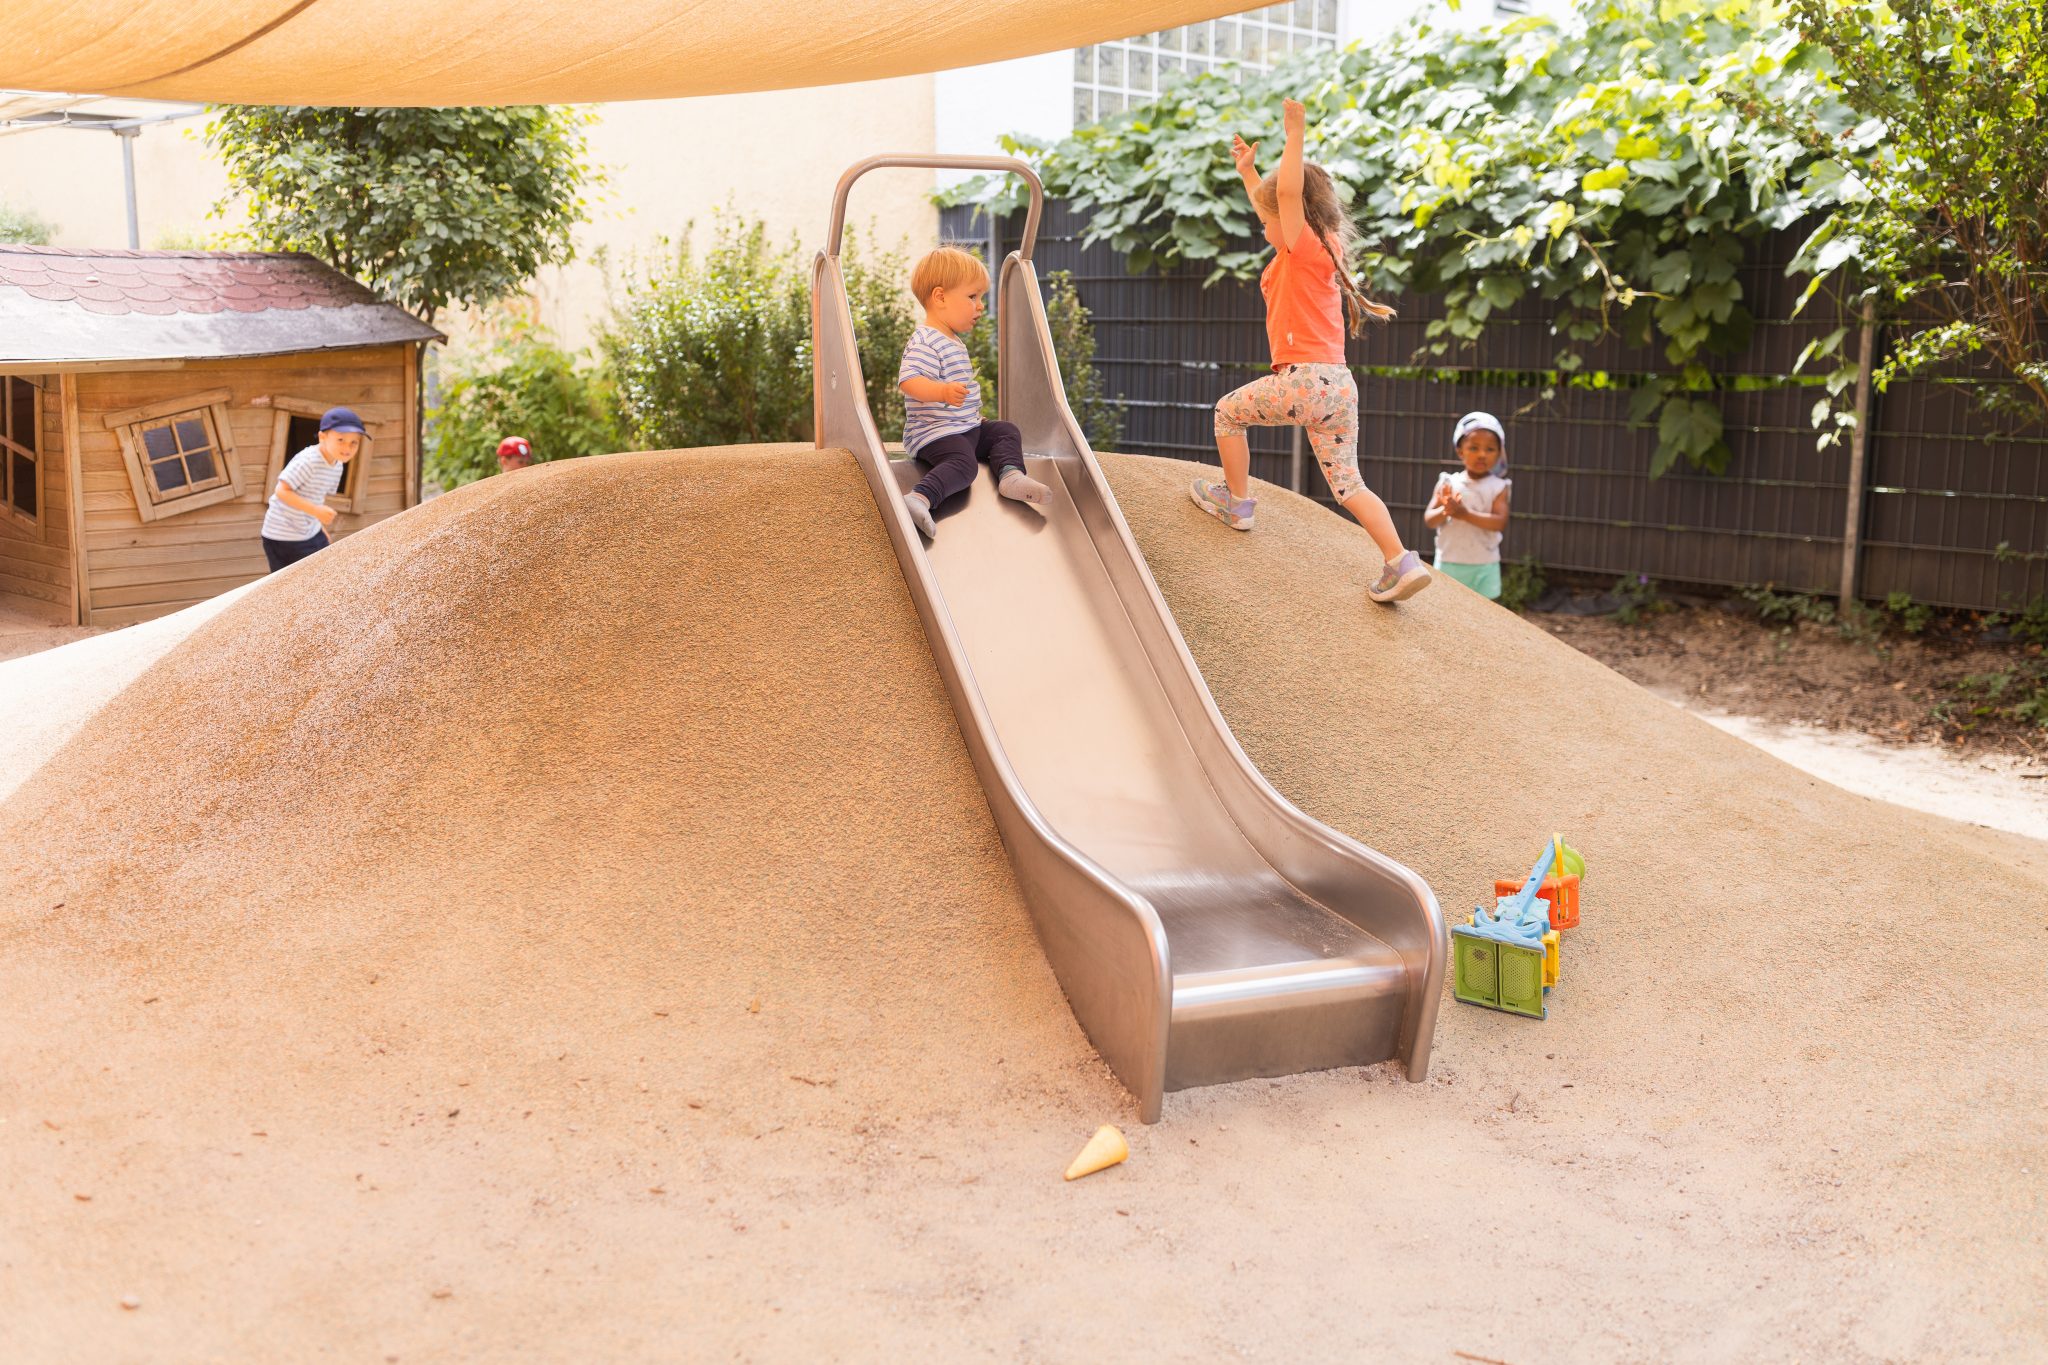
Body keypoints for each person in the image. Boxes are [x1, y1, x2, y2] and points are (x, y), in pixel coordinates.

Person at [1191, 96, 1431, 605]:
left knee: (1227, 414)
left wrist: (1294, 133)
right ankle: (1401, 562)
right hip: (1339, 388)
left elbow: (1286, 195)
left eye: (1268, 218)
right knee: (1349, 484)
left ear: (1294, 214)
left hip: (1305, 381)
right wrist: (1248, 172)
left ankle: (1237, 503)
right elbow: (1274, 202)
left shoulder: (1301, 248)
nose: (1263, 224)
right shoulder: (1320, 248)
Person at [897, 246, 1050, 538]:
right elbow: (910, 381)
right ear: (940, 297)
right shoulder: (925, 341)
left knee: (1005, 431)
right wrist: (942, 391)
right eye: (972, 297)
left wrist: (974, 418)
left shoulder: (952, 340)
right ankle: (919, 498)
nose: (980, 306)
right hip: (935, 433)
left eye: (981, 298)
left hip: (963, 428)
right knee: (964, 465)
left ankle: (1011, 476)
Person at [260, 406, 364, 573]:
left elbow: (315, 497)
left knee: (326, 569)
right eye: (341, 440)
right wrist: (316, 511)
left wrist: (320, 531)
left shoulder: (337, 465)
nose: (347, 447)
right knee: (299, 580)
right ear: (322, 437)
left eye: (354, 442)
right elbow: (281, 491)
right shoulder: (308, 461)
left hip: (309, 530)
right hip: (284, 535)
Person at [1423, 411, 1513, 600]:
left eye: (1490, 449)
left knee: (1484, 613)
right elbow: (1429, 520)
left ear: (1499, 453)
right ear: (1460, 450)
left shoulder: (1499, 487)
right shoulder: (1447, 482)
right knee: (1446, 609)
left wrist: (1465, 514)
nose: (1482, 455)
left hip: (1485, 565)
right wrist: (1446, 510)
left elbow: (1500, 522)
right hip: (1449, 562)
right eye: (1474, 448)